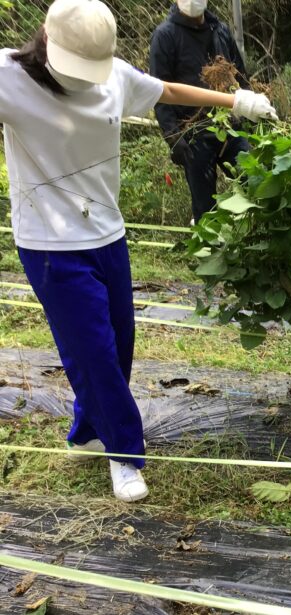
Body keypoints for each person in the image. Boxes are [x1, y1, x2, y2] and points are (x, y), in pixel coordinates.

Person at [0, 0, 276, 502]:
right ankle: (125, 455)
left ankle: (86, 432)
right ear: (48, 42)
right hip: (50, 246)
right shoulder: (8, 78)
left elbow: (167, 89)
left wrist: (235, 101)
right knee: (95, 353)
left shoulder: (113, 77)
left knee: (118, 346)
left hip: (109, 235)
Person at [149, 0, 262, 224]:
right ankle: (210, 252)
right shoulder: (166, 36)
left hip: (231, 128)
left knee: (256, 187)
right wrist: (173, 136)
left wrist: (252, 110)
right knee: (205, 208)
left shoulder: (219, 31)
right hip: (194, 134)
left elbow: (240, 76)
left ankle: (257, 246)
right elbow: (159, 90)